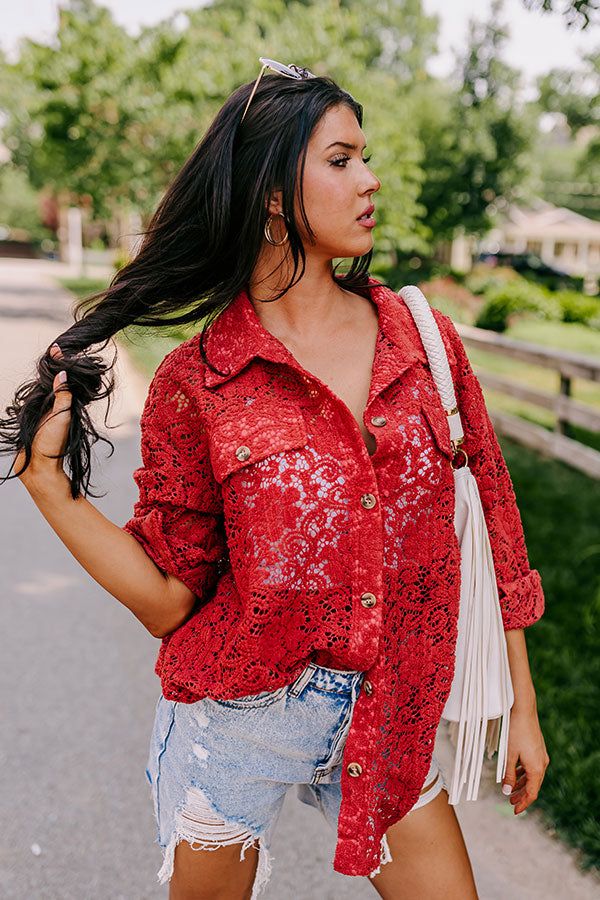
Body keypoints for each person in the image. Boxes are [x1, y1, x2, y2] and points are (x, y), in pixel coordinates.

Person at [2, 59, 549, 900]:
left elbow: (498, 523)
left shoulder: (421, 339)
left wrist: (523, 705)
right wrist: (49, 485)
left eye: (366, 156)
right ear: (268, 194)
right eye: (340, 160)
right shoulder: (200, 381)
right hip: (243, 722)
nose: (370, 179)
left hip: (390, 710)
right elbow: (169, 601)